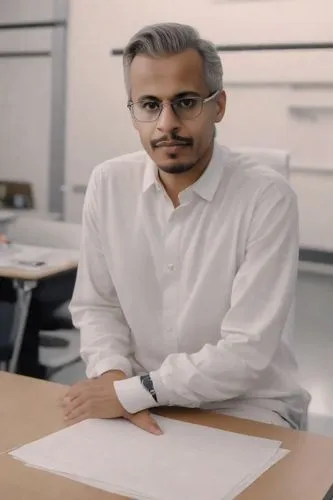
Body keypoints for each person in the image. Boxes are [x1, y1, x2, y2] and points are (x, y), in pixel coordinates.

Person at [62, 23, 310, 434]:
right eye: (148, 104)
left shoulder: (267, 197)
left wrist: (131, 393)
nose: (166, 123)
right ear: (132, 110)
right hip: (137, 398)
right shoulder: (107, 185)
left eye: (186, 101)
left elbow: (245, 352)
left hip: (245, 405)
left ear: (219, 106)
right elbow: (98, 306)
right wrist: (109, 375)